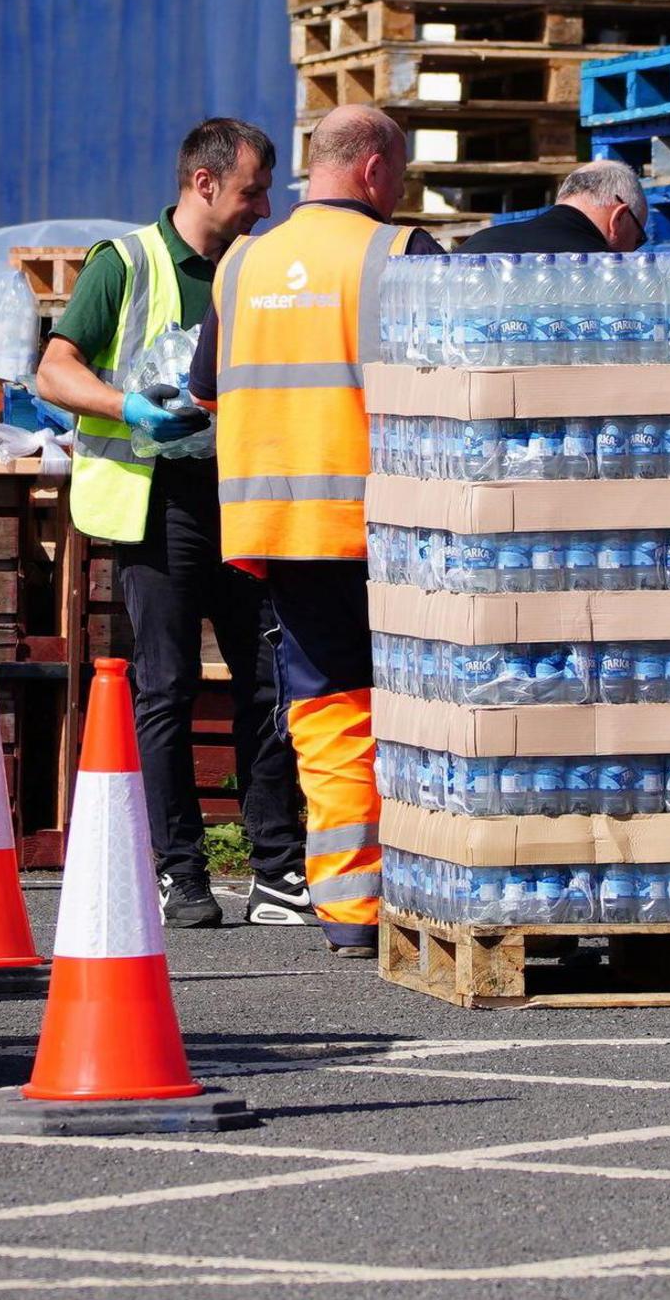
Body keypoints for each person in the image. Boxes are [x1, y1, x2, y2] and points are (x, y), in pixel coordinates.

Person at [32, 120, 310, 929]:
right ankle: (179, 872)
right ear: (204, 183)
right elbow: (53, 369)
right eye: (254, 188)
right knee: (169, 685)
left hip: (243, 495)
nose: (265, 205)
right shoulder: (126, 263)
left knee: (268, 684)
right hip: (158, 501)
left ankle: (274, 868)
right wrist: (127, 407)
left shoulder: (254, 269)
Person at [192, 105, 437, 953]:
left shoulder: (240, 263)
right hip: (388, 525)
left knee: (326, 706)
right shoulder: (397, 254)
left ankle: (349, 906)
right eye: (398, 174)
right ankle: (424, 883)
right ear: (374, 171)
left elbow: (206, 389)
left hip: (275, 524)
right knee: (425, 706)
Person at [459, 159, 646, 256]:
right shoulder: (608, 273)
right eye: (638, 240)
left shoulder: (476, 244)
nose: (633, 249)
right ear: (618, 218)